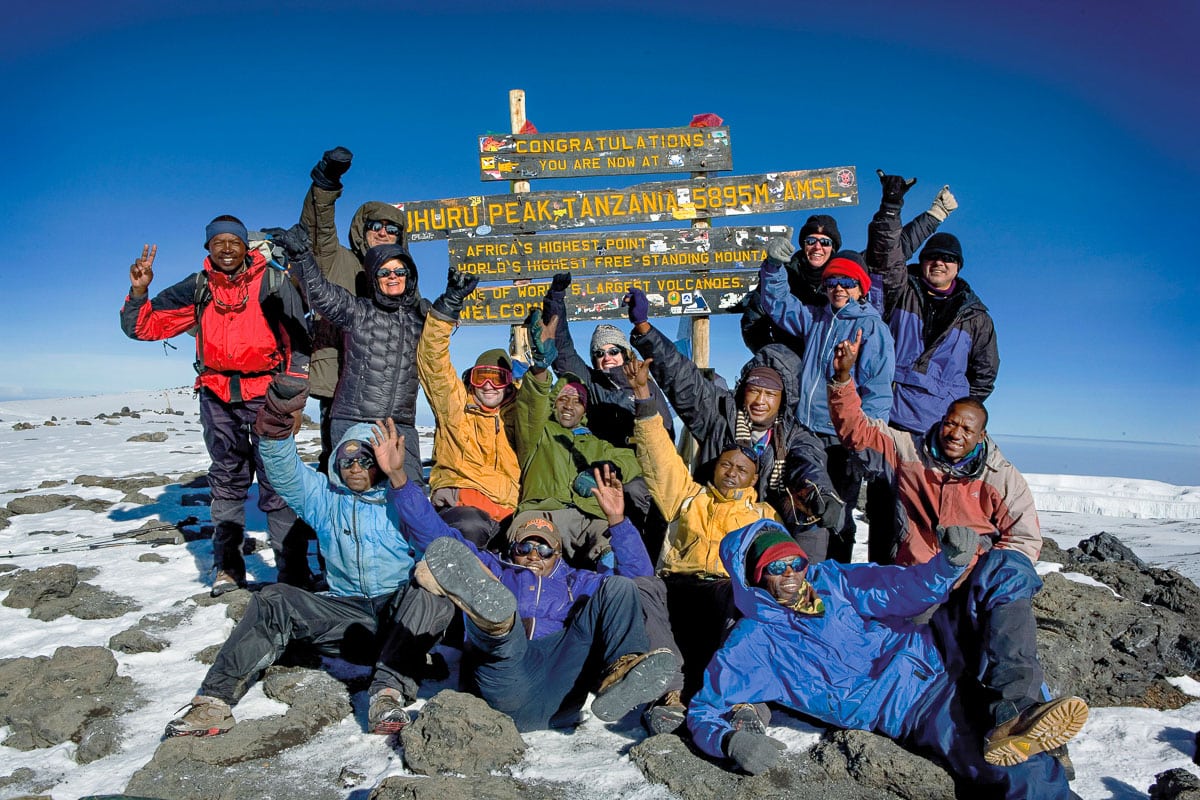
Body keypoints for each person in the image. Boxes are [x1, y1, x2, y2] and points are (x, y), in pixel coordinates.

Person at [827, 330, 1078, 776]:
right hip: (921, 584)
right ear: (941, 420)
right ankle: (1015, 729)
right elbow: (856, 430)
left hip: (976, 584)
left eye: (967, 428)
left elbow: (1024, 539)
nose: (955, 432)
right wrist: (842, 378)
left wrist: (978, 568)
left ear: (982, 435)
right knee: (950, 666)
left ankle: (1022, 719)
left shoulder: (1002, 476)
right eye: (951, 422)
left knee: (1008, 577)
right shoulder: (910, 451)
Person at [687, 521, 1087, 799]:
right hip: (919, 708)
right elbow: (704, 710)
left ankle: (1016, 705)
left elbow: (900, 589)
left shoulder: (832, 581)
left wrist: (947, 564)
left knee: (1004, 565)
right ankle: (1027, 732)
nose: (792, 574)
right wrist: (728, 741)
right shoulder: (751, 646)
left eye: (796, 562)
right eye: (777, 567)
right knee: (1018, 765)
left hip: (940, 643)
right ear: (755, 576)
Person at [164, 379, 451, 738]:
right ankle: (213, 702)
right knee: (273, 598)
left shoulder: (402, 498)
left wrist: (399, 480)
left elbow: (441, 545)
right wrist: (276, 420)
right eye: (346, 459)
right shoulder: (324, 497)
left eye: (365, 458)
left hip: (400, 617)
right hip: (347, 619)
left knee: (433, 590)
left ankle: (386, 695)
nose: (355, 466)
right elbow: (284, 471)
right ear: (335, 463)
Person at [376, 418, 677, 732]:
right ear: (511, 549)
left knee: (619, 587)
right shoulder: (494, 568)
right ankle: (497, 621)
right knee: (496, 615)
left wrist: (617, 520)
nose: (534, 555)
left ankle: (623, 668)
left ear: (558, 555)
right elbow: (436, 538)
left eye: (545, 549)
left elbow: (640, 577)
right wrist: (399, 477)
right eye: (525, 546)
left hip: (562, 685)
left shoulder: (578, 580)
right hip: (506, 685)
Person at [120, 216, 314, 595]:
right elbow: (143, 328)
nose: (226, 248)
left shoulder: (272, 282)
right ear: (208, 248)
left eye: (234, 242)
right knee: (226, 479)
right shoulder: (199, 288)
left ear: (245, 247)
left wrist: (292, 401)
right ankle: (228, 569)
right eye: (218, 242)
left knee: (277, 479)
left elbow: (298, 341)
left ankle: (293, 574)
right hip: (216, 395)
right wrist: (139, 292)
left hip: (267, 394)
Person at [625, 288, 843, 562]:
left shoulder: (794, 437)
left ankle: (799, 590)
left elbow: (808, 464)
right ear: (743, 390)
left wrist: (816, 492)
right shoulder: (718, 416)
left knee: (810, 521)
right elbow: (680, 377)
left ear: (783, 399)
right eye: (755, 390)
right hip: (713, 519)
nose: (760, 401)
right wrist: (644, 328)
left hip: (766, 527)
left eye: (770, 394)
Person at [624, 355, 778, 701]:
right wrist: (643, 396)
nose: (733, 472)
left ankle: (739, 698)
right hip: (679, 586)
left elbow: (777, 561)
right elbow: (659, 457)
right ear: (714, 468)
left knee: (740, 596)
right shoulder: (688, 496)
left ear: (755, 478)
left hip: (722, 594)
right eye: (727, 465)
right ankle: (669, 690)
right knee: (641, 587)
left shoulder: (762, 515)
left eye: (743, 469)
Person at [863, 171, 995, 563]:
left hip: (939, 437)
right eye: (933, 257)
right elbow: (885, 251)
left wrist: (956, 415)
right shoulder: (903, 289)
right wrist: (894, 205)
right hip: (893, 422)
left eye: (948, 259)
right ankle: (880, 586)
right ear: (922, 262)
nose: (939, 263)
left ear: (958, 267)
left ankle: (919, 594)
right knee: (885, 512)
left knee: (927, 518)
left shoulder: (976, 317)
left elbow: (984, 376)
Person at [756, 244, 896, 562]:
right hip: (807, 431)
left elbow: (877, 392)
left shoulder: (872, 328)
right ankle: (807, 575)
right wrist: (774, 267)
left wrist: (865, 443)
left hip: (843, 438)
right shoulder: (819, 319)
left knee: (838, 515)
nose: (838, 289)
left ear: (861, 288)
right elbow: (778, 305)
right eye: (832, 282)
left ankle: (835, 582)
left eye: (847, 283)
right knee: (807, 506)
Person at [269, 223, 428, 487]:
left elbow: (441, 334)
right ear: (373, 278)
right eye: (384, 272)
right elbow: (320, 292)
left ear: (409, 277)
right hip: (353, 418)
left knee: (410, 493)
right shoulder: (356, 310)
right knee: (350, 495)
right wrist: (301, 257)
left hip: (401, 423)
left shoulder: (419, 317)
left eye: (400, 271)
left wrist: (452, 301)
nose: (393, 276)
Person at [299, 146, 410, 473]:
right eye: (376, 224)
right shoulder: (338, 261)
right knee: (342, 463)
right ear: (363, 229)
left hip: (390, 389)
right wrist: (326, 183)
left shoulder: (402, 276)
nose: (384, 232)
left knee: (388, 469)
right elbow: (318, 230)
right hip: (340, 383)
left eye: (393, 228)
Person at [513, 310, 642, 567]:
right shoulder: (538, 432)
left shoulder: (595, 442)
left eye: (578, 401)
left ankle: (612, 598)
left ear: (585, 410)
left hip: (588, 518)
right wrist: (540, 368)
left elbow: (630, 459)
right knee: (533, 551)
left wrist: (605, 470)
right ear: (553, 403)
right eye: (563, 399)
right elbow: (531, 404)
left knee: (616, 554)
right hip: (542, 513)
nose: (570, 405)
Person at [739, 199, 954, 352]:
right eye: (810, 241)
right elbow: (753, 320)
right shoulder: (781, 275)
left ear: (833, 248)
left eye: (825, 242)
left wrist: (935, 215)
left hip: (835, 357)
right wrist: (773, 354)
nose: (817, 247)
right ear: (803, 245)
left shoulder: (848, 272)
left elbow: (889, 252)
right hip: (791, 360)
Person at [417, 266, 519, 548]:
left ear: (509, 385)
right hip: (464, 511)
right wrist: (448, 306)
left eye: (497, 378)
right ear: (471, 380)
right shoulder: (456, 407)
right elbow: (432, 361)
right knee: (468, 531)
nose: (488, 385)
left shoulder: (520, 417)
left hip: (511, 516)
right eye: (481, 376)